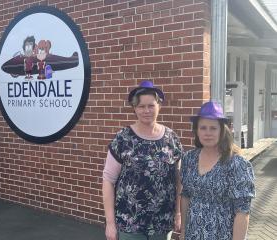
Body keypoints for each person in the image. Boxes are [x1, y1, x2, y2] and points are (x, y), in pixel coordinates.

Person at [102, 80, 183, 240]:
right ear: (134, 108)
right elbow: (108, 180)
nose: (146, 110)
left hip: (162, 223)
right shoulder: (123, 138)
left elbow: (179, 180)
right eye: (141, 106)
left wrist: (178, 213)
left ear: (159, 106)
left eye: (151, 105)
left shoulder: (171, 138)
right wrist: (110, 223)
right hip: (129, 224)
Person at [180, 101, 255, 240]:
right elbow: (185, 196)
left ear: (222, 131)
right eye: (203, 128)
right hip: (192, 234)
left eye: (213, 128)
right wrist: (183, 231)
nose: (207, 133)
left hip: (222, 235)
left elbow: (243, 211)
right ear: (196, 130)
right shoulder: (189, 159)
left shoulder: (237, 164)